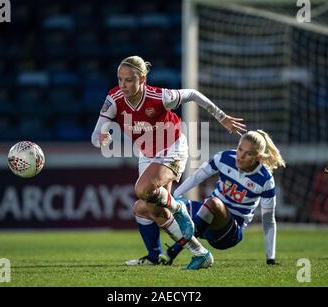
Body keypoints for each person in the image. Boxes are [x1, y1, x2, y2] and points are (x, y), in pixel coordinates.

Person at [91, 55, 246, 269]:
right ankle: (197, 253)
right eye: (120, 79)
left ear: (142, 79)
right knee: (147, 209)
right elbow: (95, 134)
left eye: (129, 80)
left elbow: (192, 94)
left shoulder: (160, 97)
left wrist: (221, 117)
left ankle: (179, 209)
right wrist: (100, 139)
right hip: (147, 153)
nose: (123, 85)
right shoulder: (114, 99)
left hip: (172, 147)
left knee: (143, 189)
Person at [159, 130, 286, 266]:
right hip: (206, 215)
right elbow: (197, 177)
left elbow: (268, 220)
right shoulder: (224, 158)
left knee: (213, 203)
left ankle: (173, 251)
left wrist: (270, 258)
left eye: (248, 153)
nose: (240, 156)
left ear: (258, 157)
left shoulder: (265, 180)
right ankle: (153, 255)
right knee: (152, 205)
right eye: (240, 149)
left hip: (228, 234)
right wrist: (173, 197)